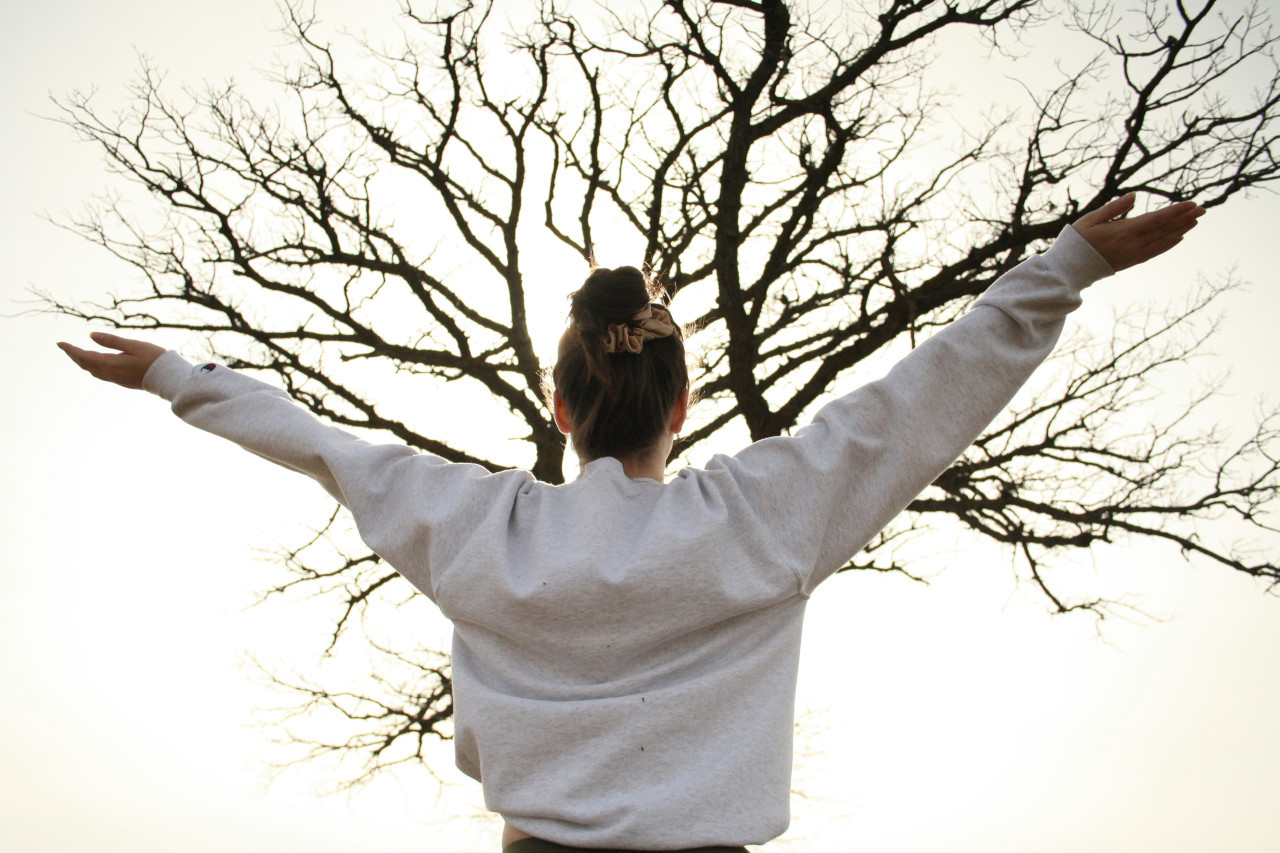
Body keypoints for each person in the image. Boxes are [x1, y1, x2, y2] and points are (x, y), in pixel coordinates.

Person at [59, 194, 1204, 853]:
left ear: (558, 405)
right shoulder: (761, 514)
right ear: (686, 405)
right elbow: (919, 402)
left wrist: (175, 373)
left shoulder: (480, 526)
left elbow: (323, 444)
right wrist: (1060, 267)